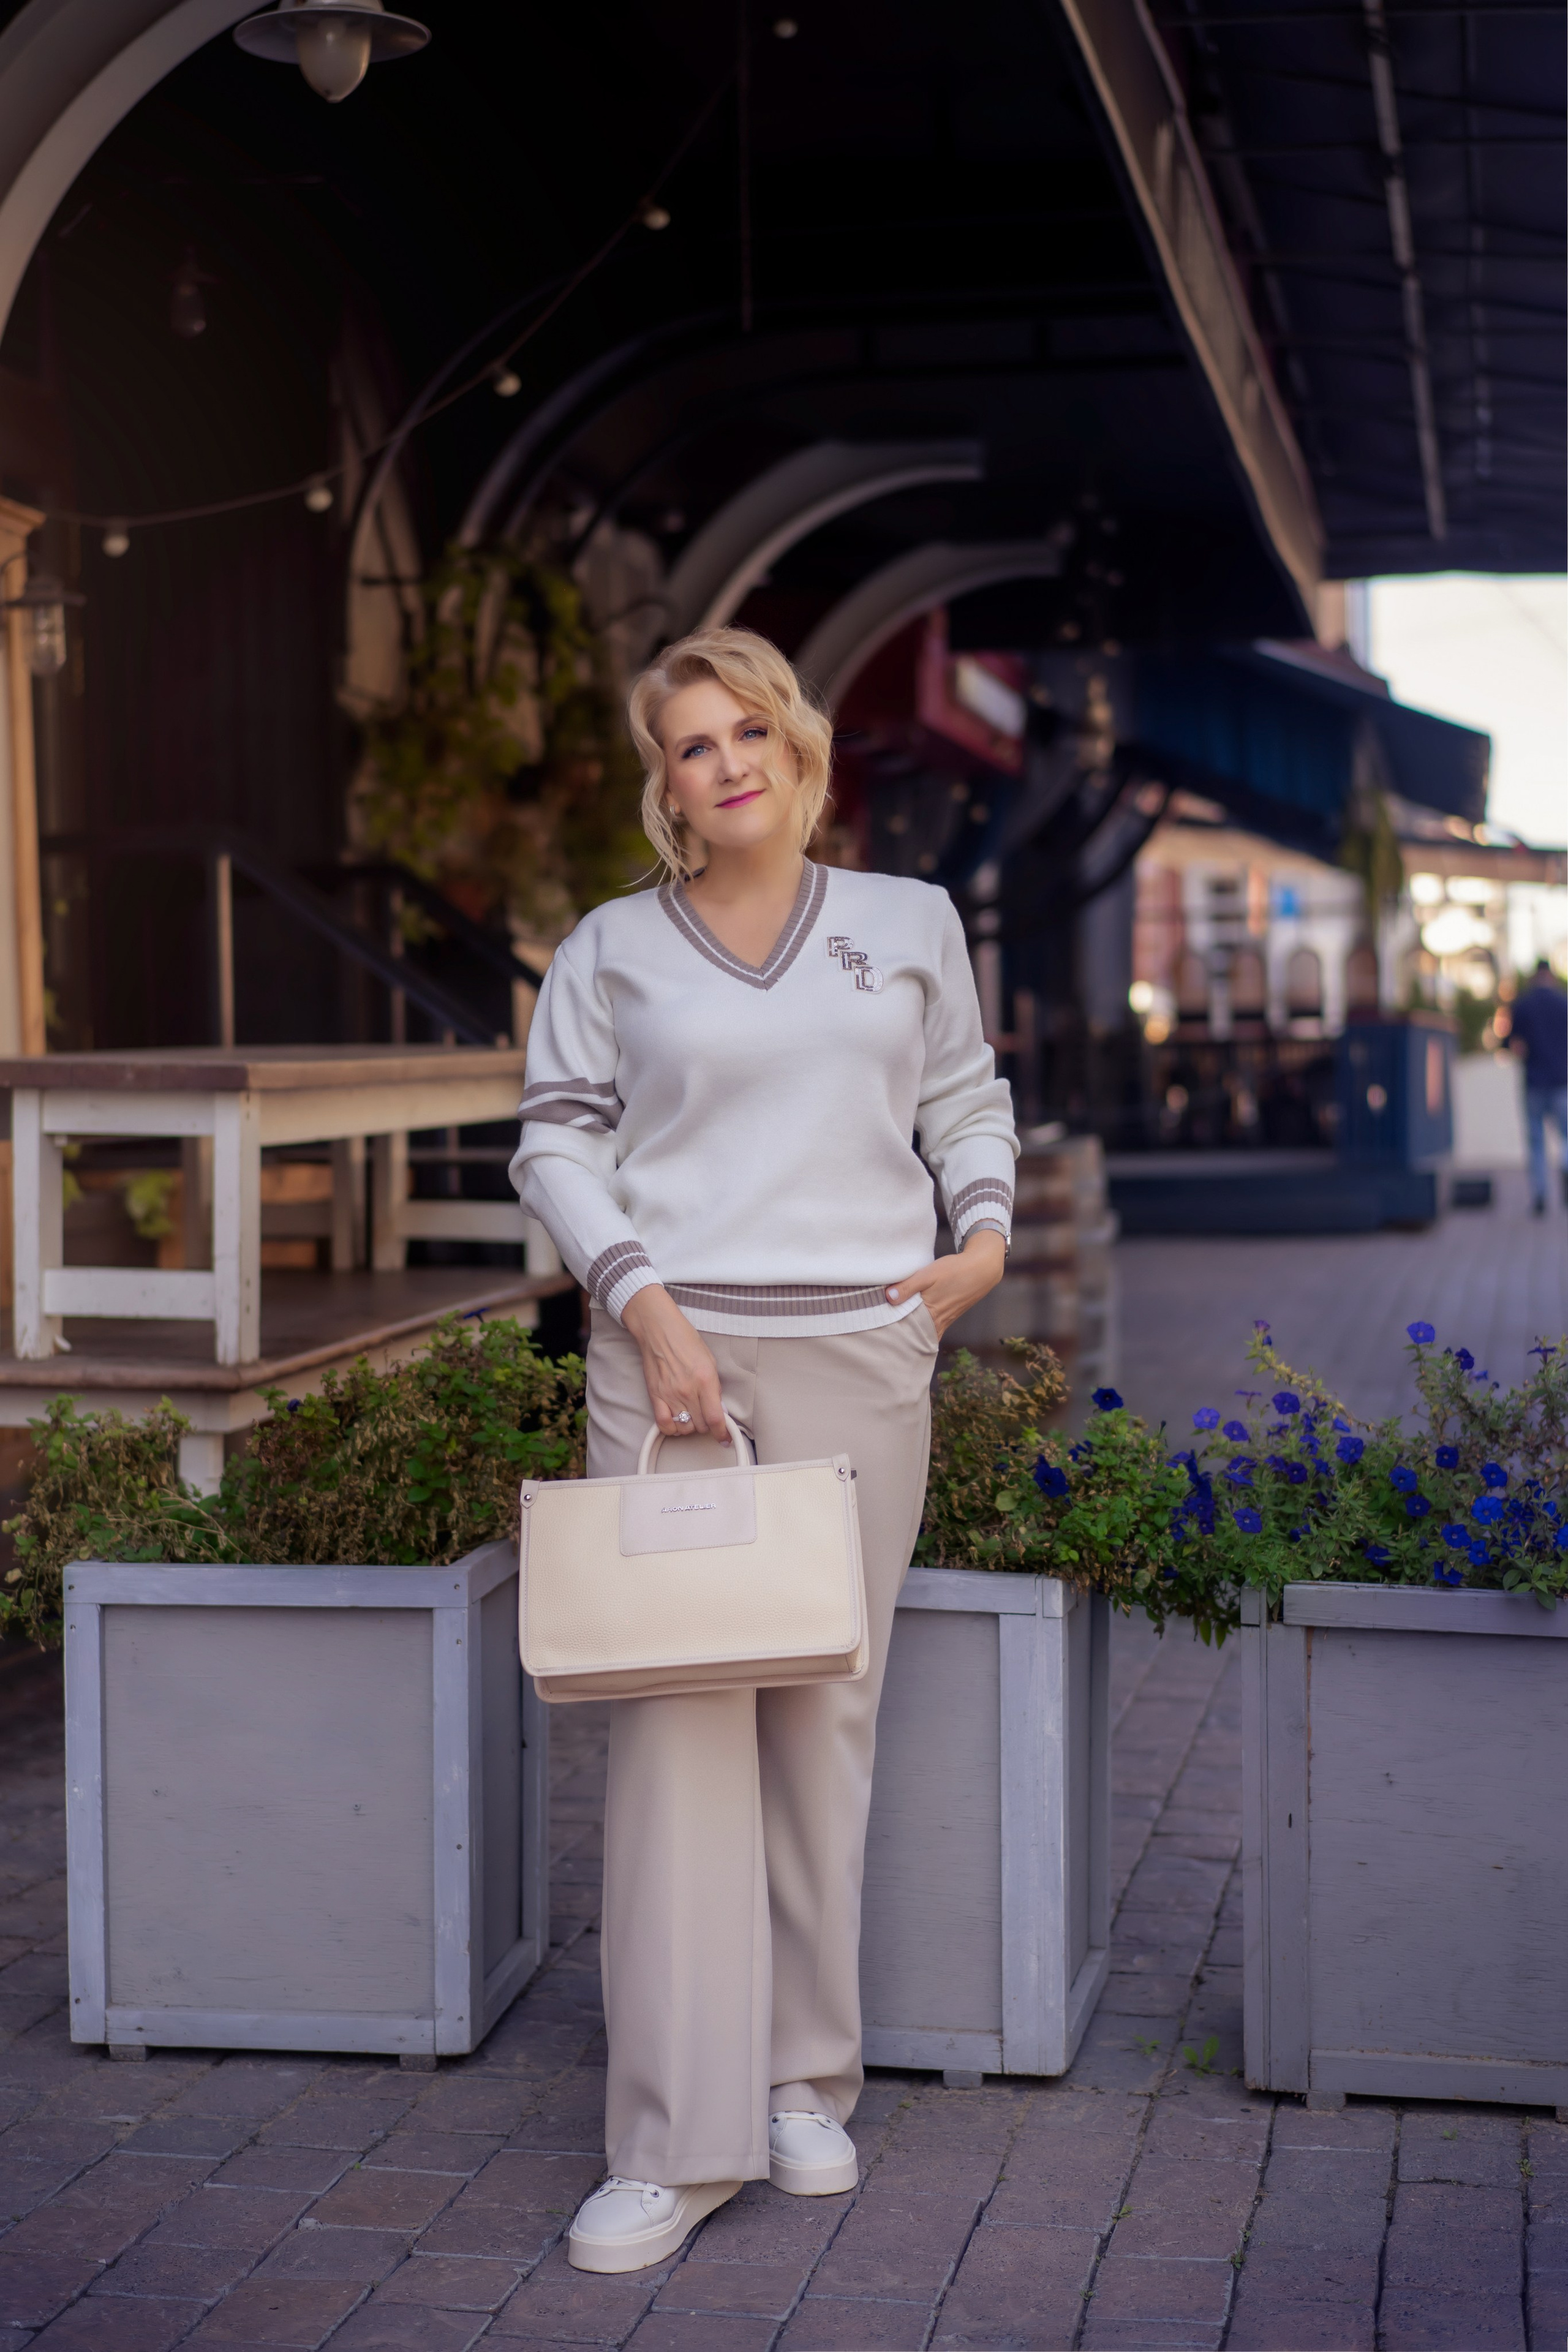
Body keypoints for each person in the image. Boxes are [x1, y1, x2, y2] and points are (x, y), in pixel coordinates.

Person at [510, 626, 1016, 2272]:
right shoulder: (609, 950)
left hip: (863, 1354)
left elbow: (964, 1099)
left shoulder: (908, 922)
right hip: (666, 1365)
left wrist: (980, 1242)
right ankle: (669, 2139)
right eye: (688, 745)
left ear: (798, 748)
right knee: (673, 1729)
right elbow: (556, 1142)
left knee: (821, 1722)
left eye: (746, 732)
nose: (721, 763)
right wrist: (643, 1304)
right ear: (663, 784)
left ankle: (803, 2075)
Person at [1507, 959, 1568, 1215]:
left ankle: (1540, 1194)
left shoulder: (1523, 1004)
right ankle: (1566, 1174)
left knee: (1536, 1142)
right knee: (1566, 1137)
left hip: (1534, 1082)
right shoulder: (1564, 1003)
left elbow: (1511, 1043)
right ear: (1551, 976)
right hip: (1562, 1081)